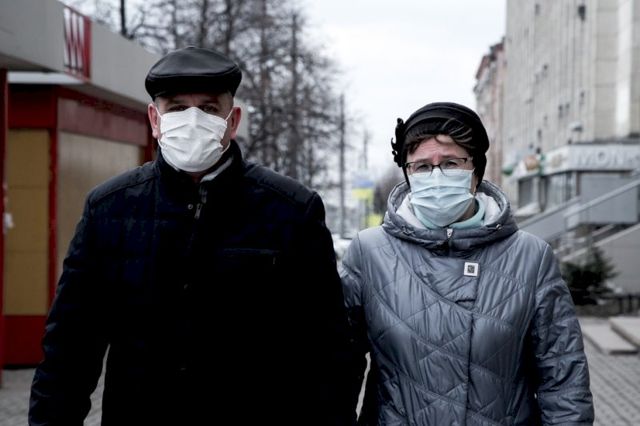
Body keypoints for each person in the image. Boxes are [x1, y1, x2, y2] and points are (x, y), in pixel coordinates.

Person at [29, 46, 357, 425]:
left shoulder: (291, 211)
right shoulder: (110, 209)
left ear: (232, 121)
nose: (192, 121)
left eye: (209, 108)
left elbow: (328, 349)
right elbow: (70, 348)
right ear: (155, 120)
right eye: (177, 108)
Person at [340, 102, 594, 425]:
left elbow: (563, 379)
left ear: (475, 171)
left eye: (450, 163)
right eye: (422, 166)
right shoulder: (369, 253)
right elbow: (335, 369)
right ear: (407, 173)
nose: (436, 176)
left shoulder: (530, 257)